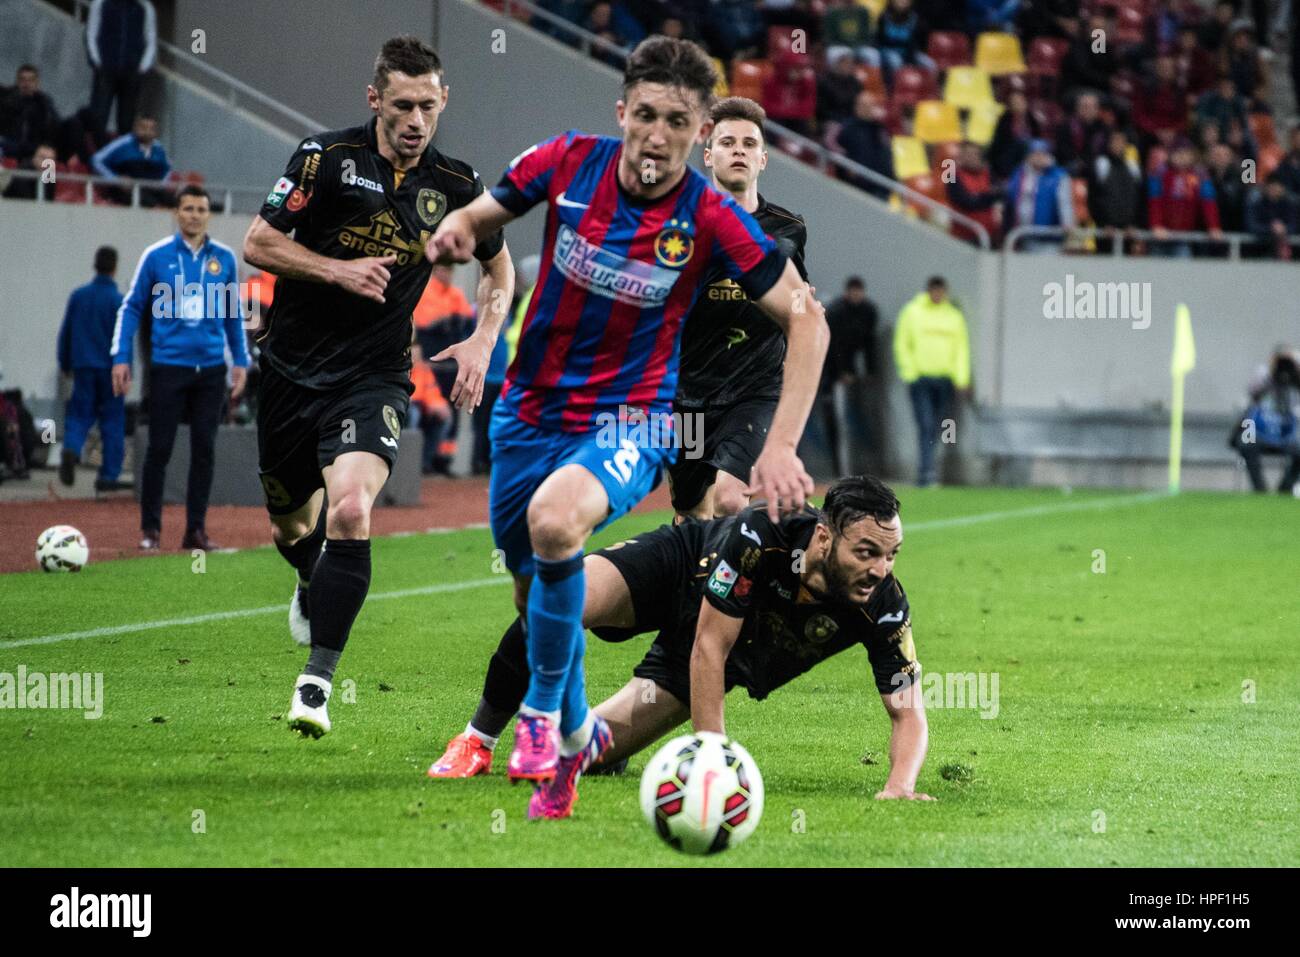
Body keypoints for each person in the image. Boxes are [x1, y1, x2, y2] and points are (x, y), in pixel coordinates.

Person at [424, 36, 828, 819]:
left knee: (560, 521)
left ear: (696, 129)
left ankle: (541, 720)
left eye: (676, 120)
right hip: (531, 412)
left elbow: (808, 321)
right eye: (644, 114)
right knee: (534, 588)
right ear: (622, 113)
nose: (656, 134)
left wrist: (780, 443)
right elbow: (485, 213)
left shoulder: (714, 218)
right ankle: (573, 733)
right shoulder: (565, 160)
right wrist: (456, 233)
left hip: (639, 417)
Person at [242, 36, 513, 738]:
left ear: (444, 99)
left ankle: (316, 682)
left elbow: (500, 271)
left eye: (429, 104)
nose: (416, 118)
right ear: (375, 101)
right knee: (290, 522)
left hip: (377, 376)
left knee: (355, 509)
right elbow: (258, 243)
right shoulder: (324, 159)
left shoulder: (457, 183)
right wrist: (336, 270)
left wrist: (485, 340)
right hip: (291, 371)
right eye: (402, 105)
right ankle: (309, 575)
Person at [429, 475, 932, 801]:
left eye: (890, 555)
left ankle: (603, 738)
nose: (879, 569)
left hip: (723, 650)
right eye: (866, 552)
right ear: (824, 537)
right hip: (682, 566)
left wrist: (899, 787)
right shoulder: (764, 534)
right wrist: (711, 758)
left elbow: (908, 711)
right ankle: (477, 739)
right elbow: (708, 645)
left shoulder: (885, 605)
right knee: (553, 603)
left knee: (578, 757)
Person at [670, 96, 809, 521]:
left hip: (754, 390)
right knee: (690, 512)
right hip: (687, 393)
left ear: (763, 159)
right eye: (727, 142)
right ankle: (693, 586)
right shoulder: (677, 225)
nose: (739, 151)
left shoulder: (789, 229)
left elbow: (798, 296)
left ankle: (731, 586)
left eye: (749, 144)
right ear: (708, 154)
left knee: (730, 498)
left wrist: (803, 304)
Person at [111, 185, 250, 550]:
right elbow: (131, 308)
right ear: (176, 213)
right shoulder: (155, 256)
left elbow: (233, 313)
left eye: (201, 209)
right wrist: (120, 357)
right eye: (187, 208)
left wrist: (241, 361)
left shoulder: (225, 258)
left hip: (210, 371)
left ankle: (196, 531)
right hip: (168, 368)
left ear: (209, 215)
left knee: (204, 449)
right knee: (160, 449)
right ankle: (150, 530)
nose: (194, 215)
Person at [58, 246, 128, 492]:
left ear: (95, 264)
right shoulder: (119, 301)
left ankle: (71, 448)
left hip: (84, 366)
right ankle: (108, 476)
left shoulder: (78, 296)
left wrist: (65, 362)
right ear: (114, 267)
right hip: (111, 369)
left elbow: (66, 332)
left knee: (79, 415)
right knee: (112, 421)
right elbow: (123, 338)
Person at [893, 276, 969, 487]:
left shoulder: (953, 316)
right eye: (935, 291)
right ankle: (926, 472)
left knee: (941, 427)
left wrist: (961, 377)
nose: (938, 295)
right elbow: (902, 343)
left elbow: (960, 348)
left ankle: (933, 469)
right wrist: (909, 372)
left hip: (945, 380)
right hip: (921, 379)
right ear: (929, 291)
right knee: (925, 425)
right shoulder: (913, 312)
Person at [819, 276, 879, 477]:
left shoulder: (868, 311)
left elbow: (870, 343)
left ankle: (859, 466)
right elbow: (832, 345)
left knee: (857, 420)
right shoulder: (836, 312)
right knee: (834, 421)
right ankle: (839, 469)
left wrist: (870, 371)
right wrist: (841, 372)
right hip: (829, 371)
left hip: (851, 374)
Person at [85, 0, 156, 138]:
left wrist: (143, 67)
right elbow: (91, 33)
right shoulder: (100, 4)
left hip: (132, 72)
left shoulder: (145, 8)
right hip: (106, 70)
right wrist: (97, 62)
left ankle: (122, 155)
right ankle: (95, 153)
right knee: (99, 115)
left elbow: (150, 38)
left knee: (127, 120)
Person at [1235, 347, 1300, 493]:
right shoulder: (1263, 373)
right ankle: (1260, 489)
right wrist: (1271, 375)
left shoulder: (1294, 379)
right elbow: (1251, 393)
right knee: (1247, 444)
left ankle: (1285, 489)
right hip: (1259, 431)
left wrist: (1296, 372)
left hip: (1285, 434)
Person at [1148, 139, 1222, 257]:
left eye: (1186, 153)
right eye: (1178, 153)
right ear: (1171, 155)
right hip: (1161, 235)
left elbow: (1209, 204)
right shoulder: (1159, 175)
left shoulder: (1201, 177)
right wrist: (1156, 224)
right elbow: (1155, 202)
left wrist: (1213, 226)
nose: (1182, 157)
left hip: (1184, 238)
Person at [1003, 139, 1074, 251]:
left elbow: (1065, 203)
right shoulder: (1019, 175)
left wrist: (1067, 224)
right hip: (1021, 236)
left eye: (1042, 153)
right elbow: (1010, 200)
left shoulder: (1058, 176)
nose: (1038, 157)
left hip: (1049, 237)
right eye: (1035, 153)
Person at [91, 114, 170, 206]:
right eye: (143, 128)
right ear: (135, 128)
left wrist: (162, 184)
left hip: (150, 188)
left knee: (174, 202)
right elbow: (96, 160)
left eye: (151, 129)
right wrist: (114, 179)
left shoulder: (159, 148)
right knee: (149, 203)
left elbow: (167, 168)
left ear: (156, 132)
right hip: (127, 190)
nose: (147, 132)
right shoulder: (123, 143)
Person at [408, 340, 452, 474]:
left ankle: (424, 463)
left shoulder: (423, 370)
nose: (416, 358)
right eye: (413, 355)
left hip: (422, 406)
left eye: (418, 355)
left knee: (443, 419)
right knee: (413, 414)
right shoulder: (400, 369)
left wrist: (437, 405)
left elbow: (432, 391)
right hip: (405, 407)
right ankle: (408, 461)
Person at [0, 65, 59, 162]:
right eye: (22, 80)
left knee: (47, 155)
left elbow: (52, 129)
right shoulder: (7, 98)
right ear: (17, 82)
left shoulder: (44, 104)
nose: (26, 84)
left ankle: (47, 177)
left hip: (32, 149)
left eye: (31, 80)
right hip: (8, 144)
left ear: (37, 83)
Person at [1245, 173, 1299, 259]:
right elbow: (1251, 226)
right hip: (1258, 251)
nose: (1274, 189)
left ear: (1283, 188)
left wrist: (1284, 229)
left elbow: (1294, 225)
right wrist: (1271, 228)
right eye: (1271, 186)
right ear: (1265, 187)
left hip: (1289, 252)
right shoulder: (1256, 204)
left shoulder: (1290, 205)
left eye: (1277, 186)